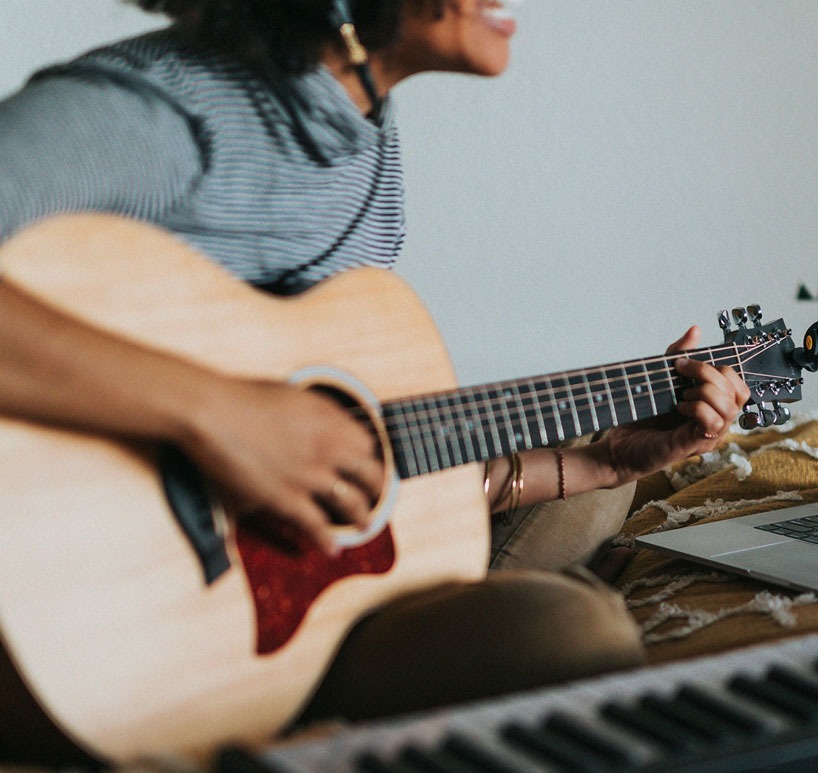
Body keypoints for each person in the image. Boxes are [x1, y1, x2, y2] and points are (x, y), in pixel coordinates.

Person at [0, 0, 749, 735]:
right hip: (93, 603)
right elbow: (268, 427)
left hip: (286, 566)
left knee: (600, 492)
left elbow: (350, 448)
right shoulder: (159, 111)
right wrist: (219, 415)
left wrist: (604, 463)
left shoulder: (365, 141)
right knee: (575, 634)